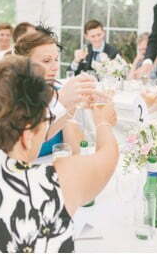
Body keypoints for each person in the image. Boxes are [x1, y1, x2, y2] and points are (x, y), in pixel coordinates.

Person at [0, 55, 119, 253]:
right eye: (45, 123)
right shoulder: (54, 182)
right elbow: (108, 156)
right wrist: (103, 121)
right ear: (27, 136)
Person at [12, 29, 100, 158]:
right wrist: (61, 103)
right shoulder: (11, 98)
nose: (55, 67)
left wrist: (73, 104)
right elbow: (24, 155)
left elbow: (74, 151)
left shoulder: (55, 90)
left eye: (56, 59)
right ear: (24, 63)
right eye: (47, 61)